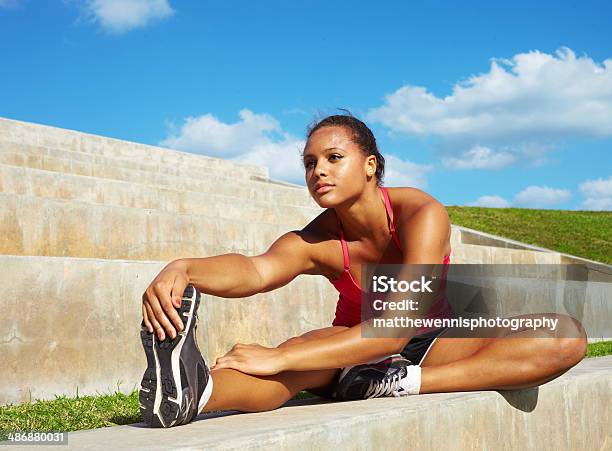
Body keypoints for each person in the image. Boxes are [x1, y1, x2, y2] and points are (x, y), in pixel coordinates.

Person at [139, 114, 588, 428]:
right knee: (291, 369)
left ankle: (397, 384)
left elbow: (397, 331)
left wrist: (282, 354)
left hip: (430, 342)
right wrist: (186, 269)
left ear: (370, 165)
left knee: (563, 335)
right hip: (352, 342)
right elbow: (256, 271)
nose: (318, 172)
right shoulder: (315, 239)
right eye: (310, 164)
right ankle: (194, 392)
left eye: (334, 158)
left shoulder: (420, 213)